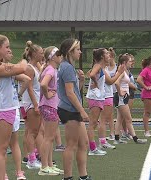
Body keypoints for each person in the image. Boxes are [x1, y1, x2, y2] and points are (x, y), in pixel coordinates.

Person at [0, 34, 28, 179]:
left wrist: (10, 65)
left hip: (6, 109)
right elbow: (23, 67)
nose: (9, 49)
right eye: (7, 47)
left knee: (1, 150)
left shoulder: (0, 66)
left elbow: (24, 76)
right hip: (2, 110)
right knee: (0, 150)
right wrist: (24, 58)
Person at [57, 39, 92, 180]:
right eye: (77, 49)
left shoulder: (68, 67)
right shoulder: (67, 67)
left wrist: (81, 81)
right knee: (71, 145)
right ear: (70, 51)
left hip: (73, 109)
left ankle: (83, 176)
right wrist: (82, 111)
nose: (80, 51)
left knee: (83, 143)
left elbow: (74, 91)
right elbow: (70, 93)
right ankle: (68, 177)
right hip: (70, 110)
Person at [38, 46, 64, 176]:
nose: (60, 56)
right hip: (49, 105)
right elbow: (43, 84)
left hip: (50, 105)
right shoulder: (51, 70)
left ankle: (49, 165)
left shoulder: (50, 69)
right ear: (52, 57)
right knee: (48, 137)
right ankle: (44, 166)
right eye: (58, 54)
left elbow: (42, 82)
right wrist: (47, 95)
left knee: (50, 137)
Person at [113, 54, 147, 145]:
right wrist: (120, 92)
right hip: (121, 98)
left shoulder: (124, 71)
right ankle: (135, 138)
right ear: (124, 62)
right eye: (129, 61)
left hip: (122, 97)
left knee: (119, 118)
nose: (131, 63)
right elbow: (116, 82)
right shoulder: (122, 72)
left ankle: (116, 138)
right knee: (128, 119)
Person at [21, 41, 44, 169]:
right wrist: (35, 105)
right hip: (31, 103)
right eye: (40, 53)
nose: (42, 55)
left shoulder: (35, 67)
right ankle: (31, 160)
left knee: (36, 131)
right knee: (32, 132)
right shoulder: (29, 68)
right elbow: (29, 87)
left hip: (36, 102)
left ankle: (35, 157)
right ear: (34, 54)